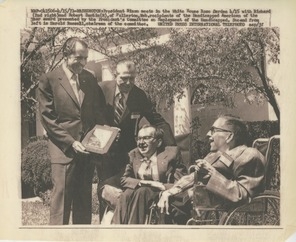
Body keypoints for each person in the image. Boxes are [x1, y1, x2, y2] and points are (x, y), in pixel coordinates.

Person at [38, 37, 107, 225]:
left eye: (85, 58)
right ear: (66, 55)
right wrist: (70, 142)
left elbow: (98, 110)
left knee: (84, 204)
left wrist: (105, 133)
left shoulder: (90, 78)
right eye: (78, 58)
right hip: (64, 151)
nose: (83, 63)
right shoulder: (49, 80)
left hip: (86, 151)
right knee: (61, 205)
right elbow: (48, 119)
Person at [96, 59, 177, 216]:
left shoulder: (139, 95)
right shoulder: (101, 89)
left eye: (132, 78)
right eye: (124, 77)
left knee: (124, 190)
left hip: (125, 153)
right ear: (115, 75)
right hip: (103, 151)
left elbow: (156, 119)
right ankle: (104, 227)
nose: (128, 82)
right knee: (105, 190)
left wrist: (172, 147)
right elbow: (90, 117)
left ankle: (124, 225)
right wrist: (105, 129)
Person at [157, 115, 266, 217]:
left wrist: (211, 174)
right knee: (149, 193)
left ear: (229, 136)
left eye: (213, 130)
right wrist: (170, 191)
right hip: (195, 197)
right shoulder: (214, 155)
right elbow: (191, 177)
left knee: (154, 199)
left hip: (207, 201)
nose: (208, 134)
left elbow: (241, 195)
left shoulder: (249, 154)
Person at [111, 125, 186, 224]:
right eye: (139, 139)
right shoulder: (133, 154)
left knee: (142, 191)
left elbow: (180, 182)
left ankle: (134, 233)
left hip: (161, 192)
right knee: (127, 194)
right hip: (142, 192)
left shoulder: (172, 153)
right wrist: (147, 183)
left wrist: (161, 187)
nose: (141, 143)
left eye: (146, 138)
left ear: (158, 142)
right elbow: (124, 179)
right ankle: (116, 230)